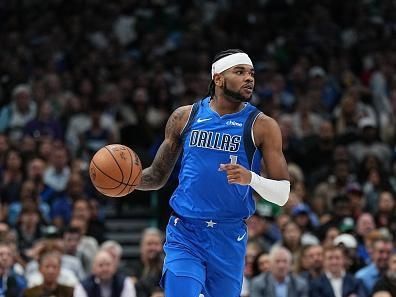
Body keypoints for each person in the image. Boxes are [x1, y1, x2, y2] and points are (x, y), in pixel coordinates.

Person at [136, 49, 290, 296]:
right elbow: (156, 176)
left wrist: (251, 178)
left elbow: (282, 195)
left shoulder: (262, 125)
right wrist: (127, 181)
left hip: (228, 236)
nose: (249, 78)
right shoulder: (185, 117)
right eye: (239, 72)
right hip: (185, 231)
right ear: (218, 78)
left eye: (251, 73)